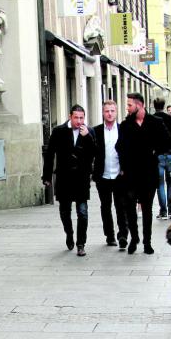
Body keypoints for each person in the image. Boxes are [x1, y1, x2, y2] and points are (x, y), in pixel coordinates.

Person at [116, 93, 171, 254]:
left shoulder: (155, 122)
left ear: (139, 105)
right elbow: (119, 147)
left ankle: (147, 241)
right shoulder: (126, 125)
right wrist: (124, 164)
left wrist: (156, 152)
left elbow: (168, 142)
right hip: (130, 173)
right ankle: (134, 238)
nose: (127, 108)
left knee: (147, 208)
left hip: (149, 172)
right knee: (130, 207)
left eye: (129, 105)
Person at [42, 105, 95, 256]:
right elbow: (50, 154)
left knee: (83, 212)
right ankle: (69, 233)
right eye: (76, 118)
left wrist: (88, 137)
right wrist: (47, 176)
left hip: (81, 178)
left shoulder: (88, 131)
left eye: (82, 118)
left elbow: (95, 153)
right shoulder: (59, 131)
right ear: (70, 116)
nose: (79, 121)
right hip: (64, 178)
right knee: (65, 211)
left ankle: (81, 243)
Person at [93, 100, 128, 248]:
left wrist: (125, 168)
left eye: (112, 111)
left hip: (120, 175)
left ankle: (123, 235)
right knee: (105, 207)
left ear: (116, 112)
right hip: (103, 175)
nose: (109, 113)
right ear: (103, 113)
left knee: (121, 206)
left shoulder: (123, 130)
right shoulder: (96, 131)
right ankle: (110, 235)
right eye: (107, 111)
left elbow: (128, 152)